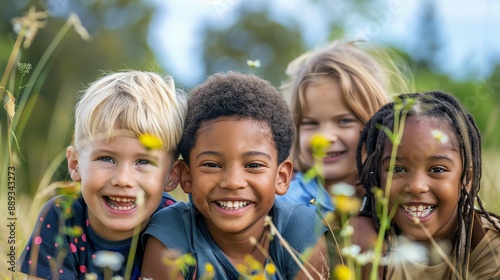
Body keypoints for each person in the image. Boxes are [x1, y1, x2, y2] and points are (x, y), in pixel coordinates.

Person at [141, 71, 330, 280]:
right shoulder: (170, 235)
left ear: (282, 177)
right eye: (212, 165)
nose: (232, 182)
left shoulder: (300, 231)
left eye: (254, 165)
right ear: (187, 176)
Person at [18, 70, 187, 280]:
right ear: (75, 164)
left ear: (171, 175)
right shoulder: (62, 220)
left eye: (143, 162)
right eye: (106, 159)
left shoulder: (176, 224)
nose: (123, 179)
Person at [351, 91, 500, 279]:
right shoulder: (360, 240)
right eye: (397, 169)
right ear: (377, 178)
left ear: (466, 179)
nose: (416, 186)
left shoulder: (488, 243)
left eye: (437, 170)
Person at [276, 40, 409, 215]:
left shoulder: (392, 199)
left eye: (344, 121)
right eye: (311, 123)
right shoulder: (284, 205)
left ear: (378, 123)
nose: (325, 137)